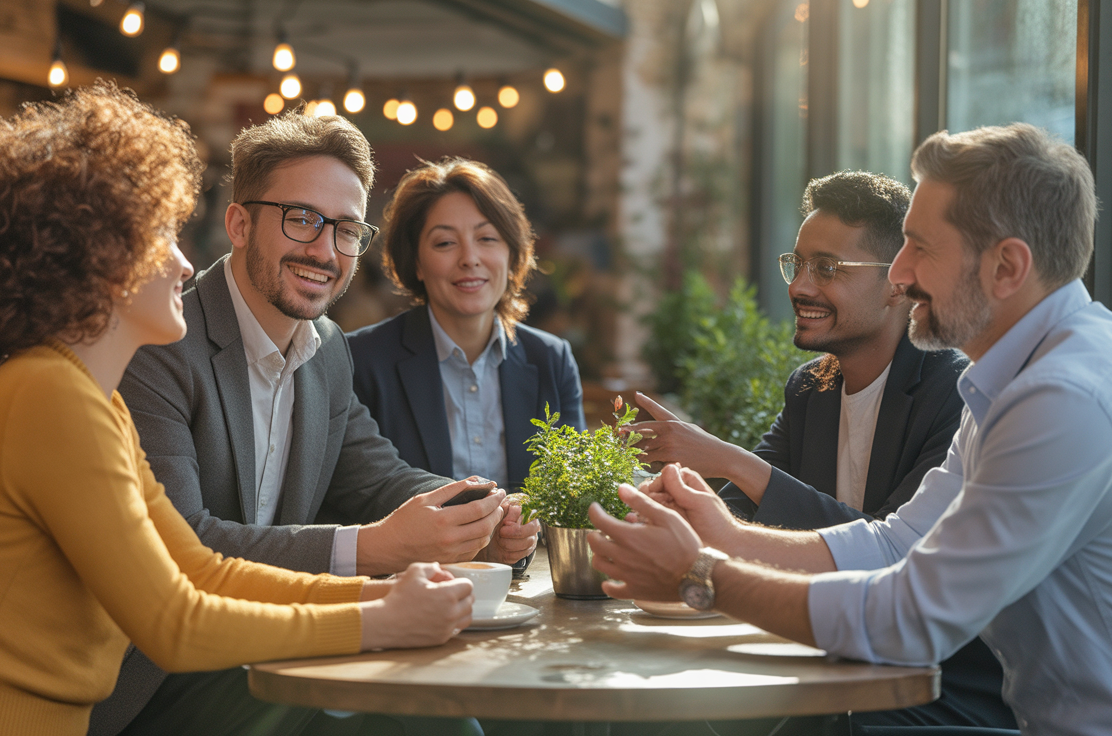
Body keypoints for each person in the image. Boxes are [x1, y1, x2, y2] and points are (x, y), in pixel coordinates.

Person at [589, 123, 1112, 736]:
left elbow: (913, 617)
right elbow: (894, 545)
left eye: (920, 248)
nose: (901, 274)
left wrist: (703, 574)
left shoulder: (1062, 397)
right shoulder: (1009, 379)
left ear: (1007, 267)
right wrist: (724, 533)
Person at [0, 83, 473, 736]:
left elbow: (200, 569)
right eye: (157, 236)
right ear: (95, 256)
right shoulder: (51, 395)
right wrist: (377, 618)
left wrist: (382, 594)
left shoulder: (85, 397)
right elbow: (174, 620)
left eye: (345, 230)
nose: (181, 260)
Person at [93, 112, 537, 735]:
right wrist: (378, 547)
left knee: (451, 712)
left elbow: (377, 476)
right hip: (158, 679)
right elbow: (183, 549)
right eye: (303, 219)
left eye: (347, 229)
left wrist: (476, 513)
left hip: (279, 649)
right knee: (416, 714)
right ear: (240, 223)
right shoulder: (161, 344)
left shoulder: (325, 346)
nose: (326, 251)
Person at [628, 172, 1012, 730]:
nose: (800, 286)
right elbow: (742, 511)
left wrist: (731, 460)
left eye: (827, 269)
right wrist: (672, 499)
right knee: (663, 700)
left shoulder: (956, 394)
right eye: (798, 263)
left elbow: (886, 547)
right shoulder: (813, 387)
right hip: (823, 657)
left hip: (936, 684)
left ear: (896, 283)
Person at [346, 157, 585, 498]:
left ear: (512, 253)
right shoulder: (363, 362)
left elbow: (574, 492)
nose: (470, 258)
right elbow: (362, 495)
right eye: (445, 243)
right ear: (416, 262)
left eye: (487, 238)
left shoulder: (552, 360)